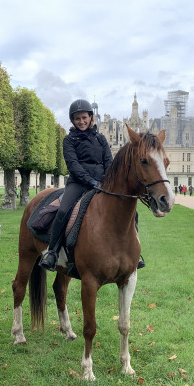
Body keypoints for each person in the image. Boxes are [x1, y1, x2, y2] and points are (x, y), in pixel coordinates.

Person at [41, 99, 136, 271]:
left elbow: (109, 162)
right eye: (77, 118)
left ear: (90, 117)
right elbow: (73, 165)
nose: (81, 121)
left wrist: (108, 181)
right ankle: (52, 252)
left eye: (84, 117)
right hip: (78, 183)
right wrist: (90, 181)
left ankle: (132, 250)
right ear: (73, 121)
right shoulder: (69, 141)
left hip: (102, 183)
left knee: (131, 210)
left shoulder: (100, 139)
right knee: (63, 211)